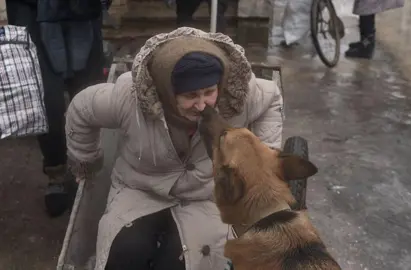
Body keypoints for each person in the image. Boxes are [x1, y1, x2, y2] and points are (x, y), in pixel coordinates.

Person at [65, 27, 283, 270]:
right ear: (167, 92)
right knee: (124, 256)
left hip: (208, 195)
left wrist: (263, 159)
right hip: (139, 189)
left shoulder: (237, 96)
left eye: (209, 92)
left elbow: (271, 98)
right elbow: (82, 108)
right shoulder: (130, 98)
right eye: (190, 96)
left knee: (180, 262)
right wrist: (86, 161)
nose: (202, 105)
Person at [0, 0, 106, 217]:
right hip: (32, 12)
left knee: (90, 96)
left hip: (84, 11)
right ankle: (56, 172)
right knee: (46, 101)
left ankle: (88, 169)